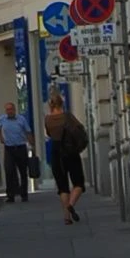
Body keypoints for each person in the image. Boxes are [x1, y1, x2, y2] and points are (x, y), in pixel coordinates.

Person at [44, 91, 88, 224]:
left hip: (56, 152)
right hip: (70, 151)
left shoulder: (47, 119)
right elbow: (79, 130)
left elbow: (49, 134)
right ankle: (71, 205)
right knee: (78, 183)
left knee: (62, 187)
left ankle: (67, 218)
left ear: (50, 105)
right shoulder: (67, 116)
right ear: (62, 103)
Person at [0, 99, 32, 202]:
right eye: (7, 110)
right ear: (5, 111)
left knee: (23, 171)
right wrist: (1, 137)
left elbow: (28, 131)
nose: (9, 111)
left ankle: (24, 194)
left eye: (11, 109)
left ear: (15, 110)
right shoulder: (2, 119)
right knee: (9, 171)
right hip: (9, 148)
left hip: (21, 147)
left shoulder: (21, 119)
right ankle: (10, 195)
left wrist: (31, 144)